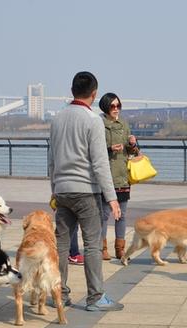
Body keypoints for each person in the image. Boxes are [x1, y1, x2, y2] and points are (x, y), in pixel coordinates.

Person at [48, 71, 124, 311]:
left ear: (72, 91)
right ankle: (95, 297)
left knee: (61, 244)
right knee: (92, 243)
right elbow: (100, 163)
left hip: (62, 190)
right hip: (85, 192)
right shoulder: (93, 120)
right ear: (94, 93)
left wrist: (54, 188)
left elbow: (51, 159)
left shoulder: (57, 118)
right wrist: (111, 198)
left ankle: (59, 293)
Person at [98, 92, 139, 260]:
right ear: (106, 107)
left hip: (122, 175)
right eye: (113, 106)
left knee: (121, 215)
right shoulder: (99, 124)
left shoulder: (124, 124)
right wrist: (109, 149)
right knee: (104, 215)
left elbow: (133, 152)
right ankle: (102, 248)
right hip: (107, 175)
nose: (116, 109)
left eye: (118, 106)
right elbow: (94, 149)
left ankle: (120, 249)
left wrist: (132, 144)